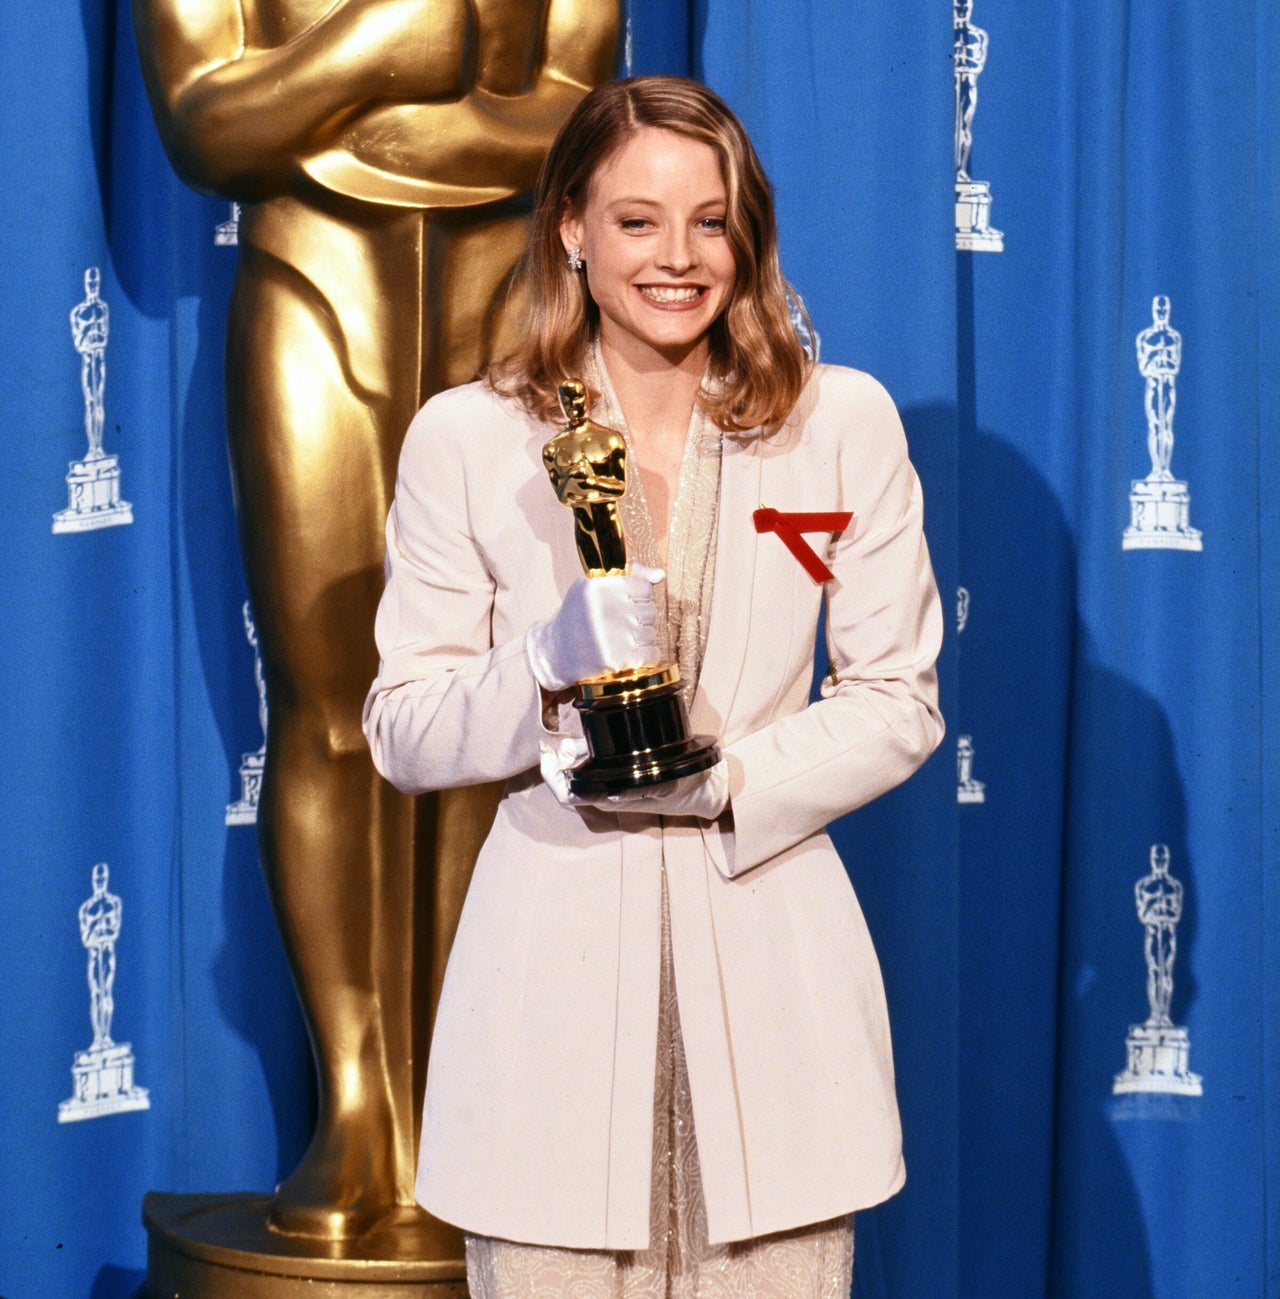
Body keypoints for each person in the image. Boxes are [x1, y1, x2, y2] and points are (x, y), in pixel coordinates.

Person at [363, 75, 944, 1296]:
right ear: (570, 228)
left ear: (748, 234)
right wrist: (540, 666)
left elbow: (897, 699)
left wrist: (728, 785)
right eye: (637, 221)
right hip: (542, 1014)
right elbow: (404, 732)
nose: (676, 258)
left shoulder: (840, 423)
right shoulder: (466, 439)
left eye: (710, 221)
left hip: (782, 1004)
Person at [133, 0, 618, 1241]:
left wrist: (335, 114)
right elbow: (205, 125)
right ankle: (356, 1103)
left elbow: (578, 119)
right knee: (334, 710)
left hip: (503, 303)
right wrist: (379, 47)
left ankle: (461, 1099)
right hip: (311, 290)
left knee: (490, 710)